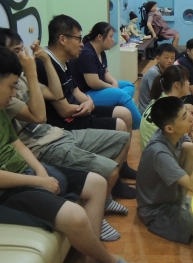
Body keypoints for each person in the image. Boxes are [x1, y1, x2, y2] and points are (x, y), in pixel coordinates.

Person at [0, 46, 149, 263]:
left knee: (97, 183)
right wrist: (38, 181)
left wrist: (41, 170)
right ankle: (112, 261)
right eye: (12, 86)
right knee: (75, 215)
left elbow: (15, 143)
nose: (14, 93)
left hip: (19, 173)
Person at [0, 28, 131, 239]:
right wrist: (31, 72)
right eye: (16, 52)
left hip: (57, 133)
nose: (23, 56)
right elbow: (40, 116)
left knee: (123, 137)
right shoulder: (3, 92)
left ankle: (104, 200)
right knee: (110, 171)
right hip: (43, 145)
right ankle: (101, 209)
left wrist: (45, 61)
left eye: (22, 50)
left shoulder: (21, 80)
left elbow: (57, 94)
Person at [38, 14, 136, 198]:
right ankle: (114, 181)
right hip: (66, 121)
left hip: (80, 110)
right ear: (62, 39)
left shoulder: (64, 62)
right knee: (120, 125)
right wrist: (87, 106)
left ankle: (122, 167)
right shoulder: (45, 65)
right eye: (78, 38)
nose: (82, 43)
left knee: (125, 114)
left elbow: (75, 91)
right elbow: (63, 110)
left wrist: (89, 102)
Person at [136, 96, 193, 244]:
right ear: (169, 128)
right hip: (157, 211)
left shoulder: (171, 134)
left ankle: (180, 202)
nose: (191, 118)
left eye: (187, 112)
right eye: (184, 117)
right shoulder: (159, 153)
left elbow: (190, 148)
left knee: (190, 148)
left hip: (171, 197)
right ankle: (178, 207)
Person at [69, 22, 142, 130]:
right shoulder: (87, 53)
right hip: (87, 93)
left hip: (99, 88)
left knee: (129, 85)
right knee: (122, 95)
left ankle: (119, 105)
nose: (113, 40)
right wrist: (112, 88)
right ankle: (141, 125)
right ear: (99, 37)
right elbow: (93, 82)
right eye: (111, 36)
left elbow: (106, 72)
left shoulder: (101, 51)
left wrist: (113, 82)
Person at [138, 43, 177, 113]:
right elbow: (161, 96)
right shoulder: (153, 73)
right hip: (148, 112)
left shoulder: (166, 71)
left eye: (172, 58)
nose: (170, 61)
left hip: (157, 107)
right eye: (166, 57)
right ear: (158, 58)